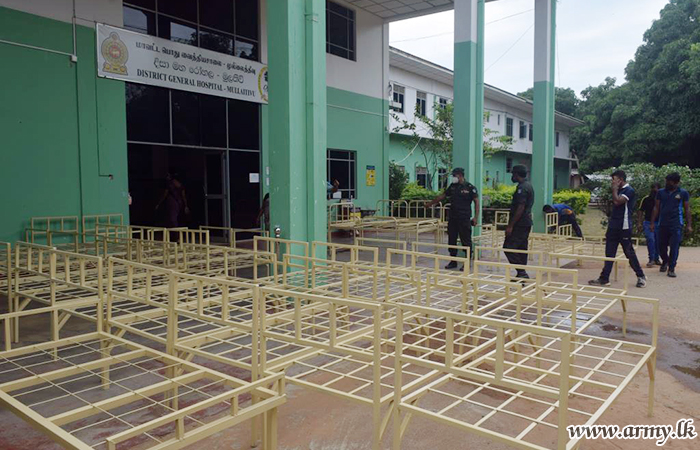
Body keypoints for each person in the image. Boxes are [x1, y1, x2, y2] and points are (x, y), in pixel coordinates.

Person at [589, 170, 647, 288]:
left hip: (624, 227)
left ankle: (641, 276)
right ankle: (604, 278)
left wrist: (614, 189)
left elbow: (617, 202)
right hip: (613, 226)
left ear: (620, 180)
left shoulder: (629, 190)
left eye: (614, 180)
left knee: (629, 252)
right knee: (609, 253)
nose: (612, 182)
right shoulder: (619, 190)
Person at [427, 167, 479, 270]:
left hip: (464, 218)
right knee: (452, 240)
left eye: (454, 175)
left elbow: (477, 202)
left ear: (460, 175)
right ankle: (453, 261)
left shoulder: (470, 187)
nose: (453, 177)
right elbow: (442, 196)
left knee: (466, 240)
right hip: (453, 218)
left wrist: (476, 217)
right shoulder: (452, 186)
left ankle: (467, 262)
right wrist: (430, 203)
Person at [650, 172, 693, 278]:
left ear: (676, 183)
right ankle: (665, 261)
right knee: (661, 246)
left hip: (676, 224)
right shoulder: (660, 192)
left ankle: (671, 268)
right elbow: (656, 207)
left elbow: (687, 209)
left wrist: (689, 225)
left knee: (674, 247)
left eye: (669, 182)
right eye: (666, 181)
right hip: (662, 223)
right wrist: (652, 223)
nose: (667, 183)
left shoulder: (683, 193)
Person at [503, 165, 534, 279]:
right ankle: (521, 273)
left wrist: (510, 226)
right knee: (521, 248)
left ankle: (522, 272)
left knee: (508, 247)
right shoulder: (528, 185)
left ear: (516, 174)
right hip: (525, 223)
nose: (512, 176)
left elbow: (520, 207)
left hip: (520, 224)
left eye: (513, 174)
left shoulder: (522, 188)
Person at [637, 183, 661, 267]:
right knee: (651, 239)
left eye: (657, 188)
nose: (655, 190)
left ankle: (656, 258)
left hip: (659, 223)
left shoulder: (662, 199)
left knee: (658, 241)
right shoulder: (646, 199)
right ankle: (651, 259)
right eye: (653, 188)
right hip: (648, 222)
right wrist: (639, 223)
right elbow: (640, 211)